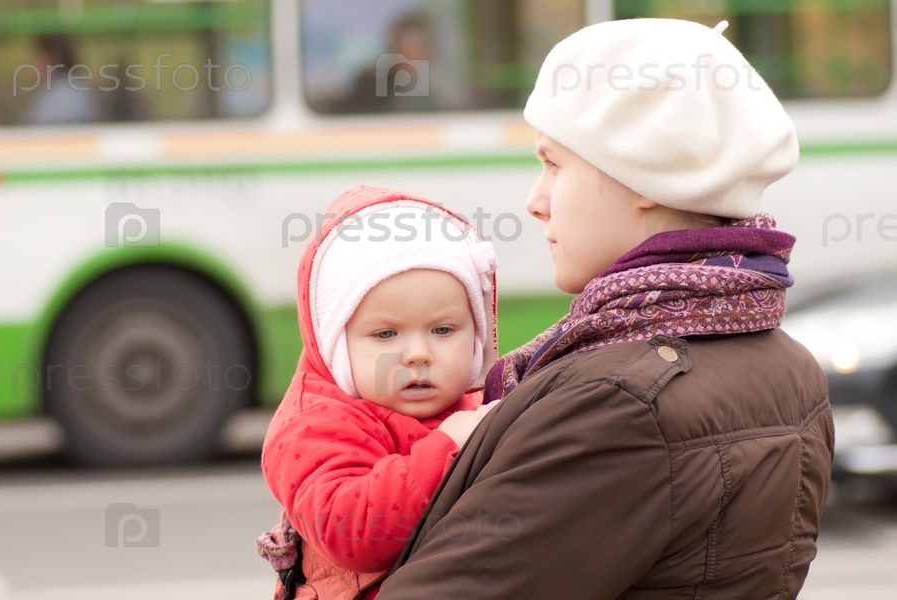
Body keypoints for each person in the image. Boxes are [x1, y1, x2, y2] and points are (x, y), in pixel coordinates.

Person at [376, 19, 834, 599]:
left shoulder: (619, 400)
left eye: (553, 164)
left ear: (644, 173)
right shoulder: (789, 364)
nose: (534, 202)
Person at [258, 185, 499, 600]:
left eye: (443, 330)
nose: (419, 354)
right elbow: (352, 531)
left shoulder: (477, 406)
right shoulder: (316, 424)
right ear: (334, 342)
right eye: (385, 334)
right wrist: (446, 447)